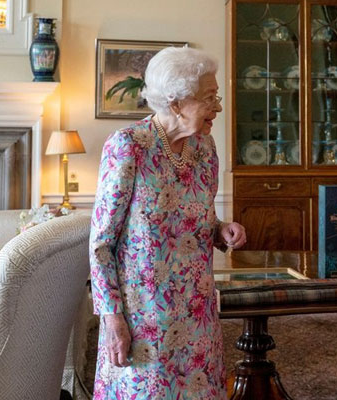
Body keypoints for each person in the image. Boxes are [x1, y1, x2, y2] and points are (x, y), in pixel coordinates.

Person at [89, 46, 247, 399]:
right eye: (209, 98)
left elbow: (199, 216)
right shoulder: (129, 147)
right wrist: (112, 317)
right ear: (176, 103)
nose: (218, 107)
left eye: (216, 97)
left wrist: (221, 230)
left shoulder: (205, 148)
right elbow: (101, 244)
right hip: (144, 314)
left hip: (196, 308)